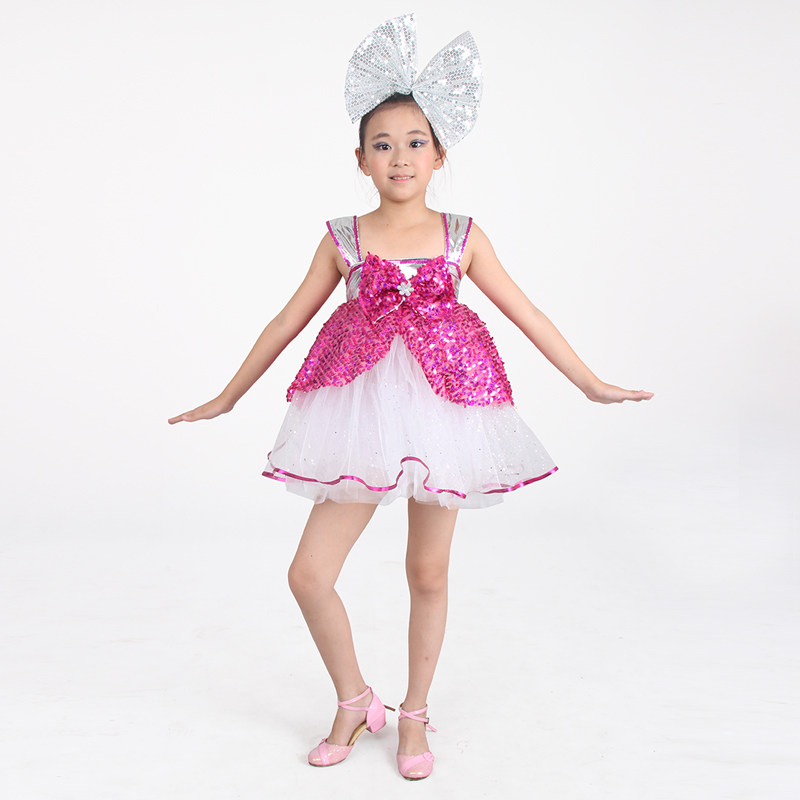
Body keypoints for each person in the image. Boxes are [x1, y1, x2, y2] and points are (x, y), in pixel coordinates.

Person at [169, 14, 653, 781]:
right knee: (308, 574)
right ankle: (354, 699)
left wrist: (590, 382)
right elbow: (286, 321)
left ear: (440, 154)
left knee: (427, 572)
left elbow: (528, 314)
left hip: (445, 408)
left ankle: (416, 712)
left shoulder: (463, 235)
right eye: (383, 144)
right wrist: (228, 395)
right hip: (360, 415)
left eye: (415, 142)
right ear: (361, 159)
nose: (400, 156)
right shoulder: (343, 238)